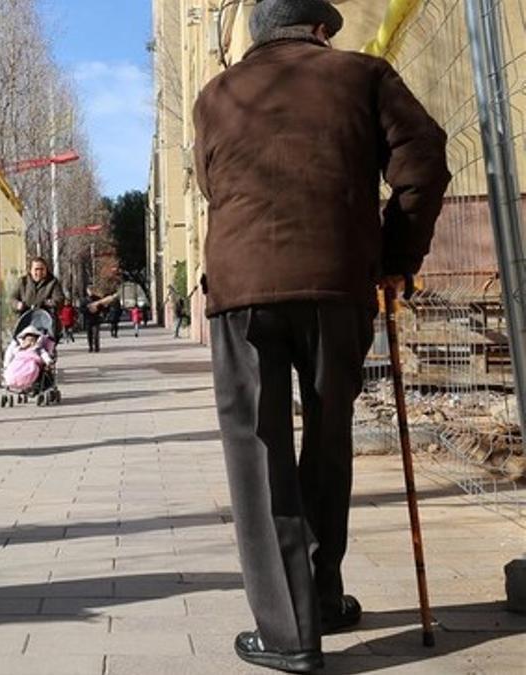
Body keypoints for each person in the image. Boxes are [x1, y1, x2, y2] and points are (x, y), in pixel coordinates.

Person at [193, 1, 450, 671]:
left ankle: (290, 632)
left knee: (258, 453)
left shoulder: (215, 94)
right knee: (329, 438)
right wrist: (396, 256)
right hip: (338, 284)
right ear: (317, 29)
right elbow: (424, 161)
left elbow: (210, 182)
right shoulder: (364, 74)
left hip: (242, 289)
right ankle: (323, 594)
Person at [2, 325, 54, 391]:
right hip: (18, 363)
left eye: (32, 340)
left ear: (36, 341)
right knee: (11, 370)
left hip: (31, 363)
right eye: (28, 340)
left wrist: (48, 361)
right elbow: (13, 354)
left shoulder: (38, 349)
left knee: (32, 370)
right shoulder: (19, 349)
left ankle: (28, 382)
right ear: (23, 341)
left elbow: (44, 355)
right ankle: (14, 380)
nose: (30, 342)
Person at [80, 286, 103, 353]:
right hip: (88, 319)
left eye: (92, 290)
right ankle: (90, 347)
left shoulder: (97, 299)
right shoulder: (84, 300)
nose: (90, 292)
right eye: (89, 290)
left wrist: (97, 310)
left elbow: (102, 307)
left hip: (96, 319)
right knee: (89, 334)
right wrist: (88, 309)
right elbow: (81, 309)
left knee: (96, 334)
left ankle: (96, 347)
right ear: (87, 291)